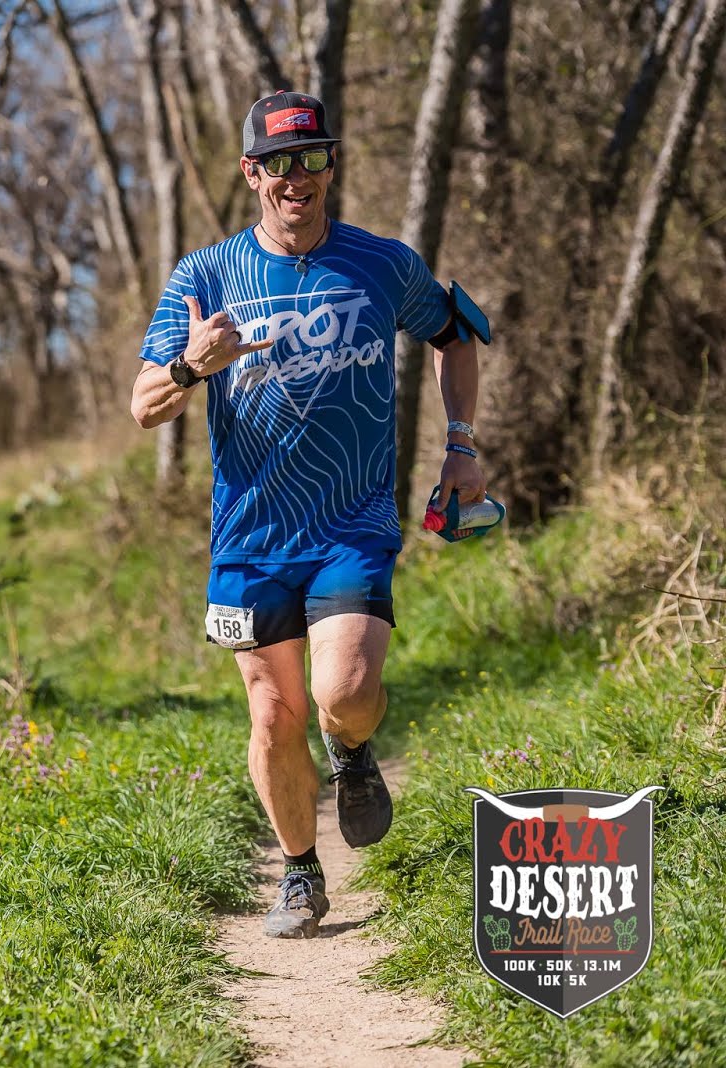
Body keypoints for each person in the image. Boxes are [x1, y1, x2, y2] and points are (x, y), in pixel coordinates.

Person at [129, 90, 489, 939]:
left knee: (347, 691)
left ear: (331, 166)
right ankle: (298, 872)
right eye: (279, 163)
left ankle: (354, 750)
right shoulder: (205, 276)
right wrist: (191, 364)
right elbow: (144, 406)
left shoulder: (381, 264)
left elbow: (457, 335)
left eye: (313, 159)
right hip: (249, 539)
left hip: (350, 523)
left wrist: (462, 444)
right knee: (271, 713)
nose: (298, 178)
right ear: (252, 173)